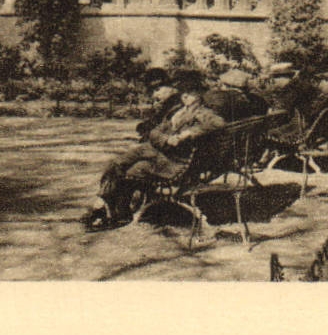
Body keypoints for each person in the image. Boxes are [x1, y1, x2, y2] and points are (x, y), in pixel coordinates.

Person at [84, 83, 226, 230]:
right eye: (183, 93)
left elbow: (219, 124)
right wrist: (165, 139)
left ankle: (109, 211)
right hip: (156, 150)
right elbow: (154, 132)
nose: (185, 97)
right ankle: (104, 205)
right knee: (116, 163)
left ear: (199, 96)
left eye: (190, 94)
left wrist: (188, 133)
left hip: (172, 160)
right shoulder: (177, 111)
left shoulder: (203, 113)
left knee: (132, 170)